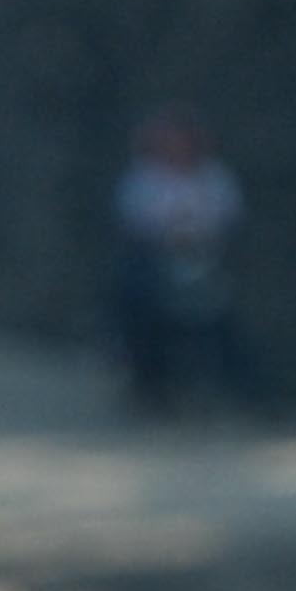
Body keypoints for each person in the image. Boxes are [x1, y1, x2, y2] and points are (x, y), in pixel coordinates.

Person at [109, 115, 244, 412]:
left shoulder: (214, 178)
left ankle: (231, 388)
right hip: (153, 259)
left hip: (204, 259)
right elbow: (133, 219)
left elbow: (227, 219)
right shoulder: (144, 176)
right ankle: (145, 379)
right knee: (135, 298)